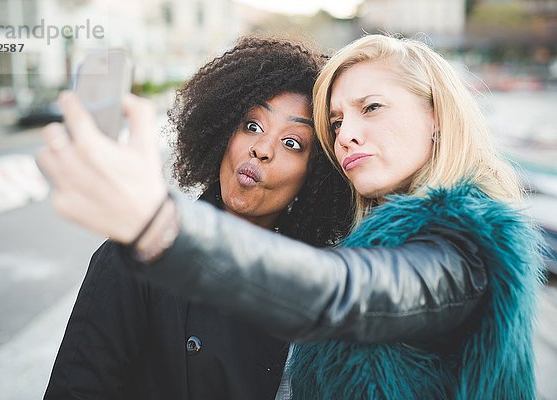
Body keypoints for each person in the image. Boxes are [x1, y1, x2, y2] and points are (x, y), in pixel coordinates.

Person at [38, 34, 546, 399]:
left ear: (437, 117)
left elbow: (342, 293)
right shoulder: (361, 243)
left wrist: (158, 225)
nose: (347, 133)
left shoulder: (468, 250)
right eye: (337, 121)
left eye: (371, 107)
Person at [41, 36, 353, 400]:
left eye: (292, 143)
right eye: (252, 125)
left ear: (314, 176)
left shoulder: (313, 284)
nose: (262, 149)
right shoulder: (134, 256)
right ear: (222, 131)